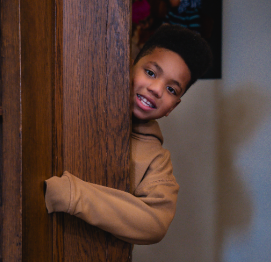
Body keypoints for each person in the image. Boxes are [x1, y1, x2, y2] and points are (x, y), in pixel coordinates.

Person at [44, 25, 212, 244]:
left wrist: (68, 194)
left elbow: (156, 223)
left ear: (172, 107)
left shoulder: (157, 160)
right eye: (150, 73)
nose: (156, 89)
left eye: (171, 89)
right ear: (129, 66)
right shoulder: (79, 100)